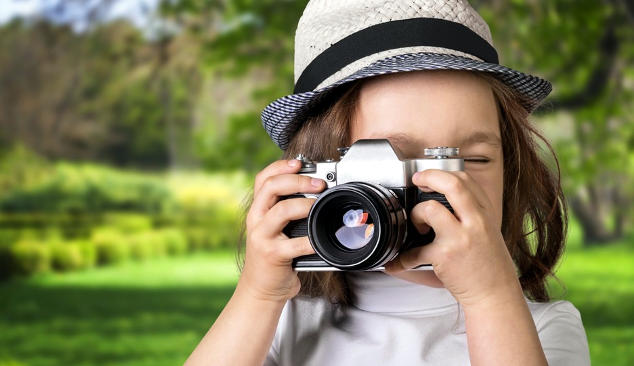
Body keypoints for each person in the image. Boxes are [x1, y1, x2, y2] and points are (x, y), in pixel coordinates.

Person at [185, 1, 590, 365]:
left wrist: (490, 297)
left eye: (473, 160)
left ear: (511, 168)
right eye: (396, 160)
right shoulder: (281, 321)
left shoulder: (542, 328)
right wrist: (257, 295)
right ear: (320, 178)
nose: (449, 188)